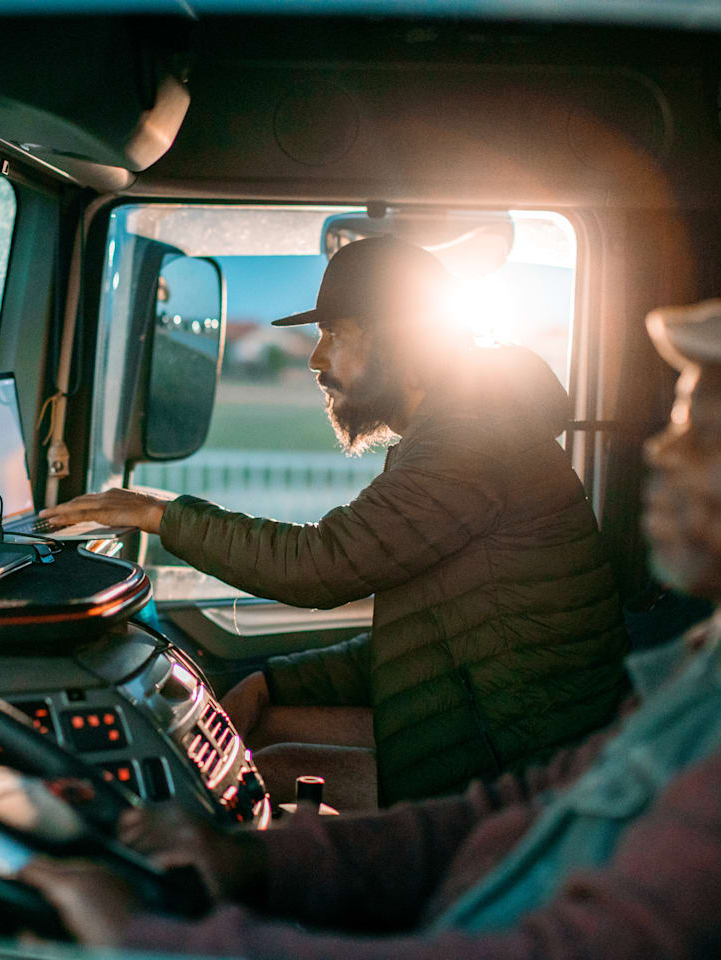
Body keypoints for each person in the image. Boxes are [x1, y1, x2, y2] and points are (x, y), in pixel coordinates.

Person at [23, 278, 721, 957]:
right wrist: (250, 845)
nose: (660, 456)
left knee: (263, 773)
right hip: (493, 771)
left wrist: (154, 940)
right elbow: (464, 728)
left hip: (497, 736)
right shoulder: (713, 664)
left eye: (710, 434)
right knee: (259, 764)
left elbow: (324, 565)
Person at [43, 236, 628, 807]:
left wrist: (158, 515)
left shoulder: (470, 440)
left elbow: (320, 564)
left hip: (524, 772)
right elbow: (415, 649)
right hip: (501, 732)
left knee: (262, 770)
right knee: (263, 735)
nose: (316, 358)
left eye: (333, 334)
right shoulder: (463, 431)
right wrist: (272, 681)